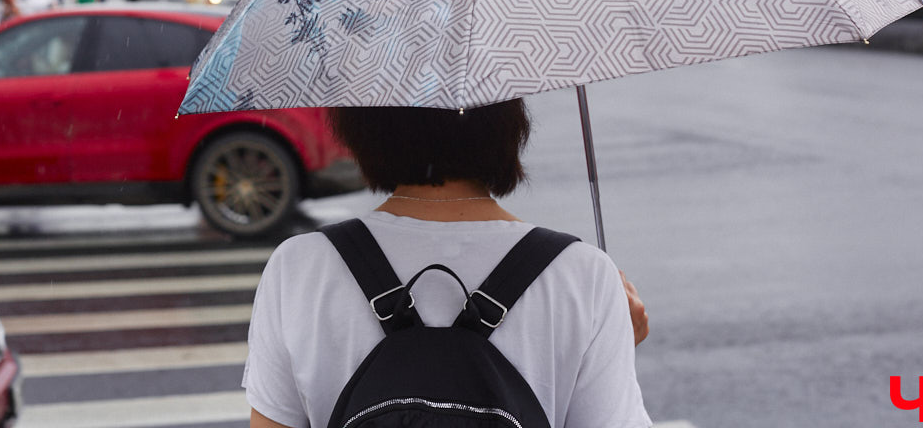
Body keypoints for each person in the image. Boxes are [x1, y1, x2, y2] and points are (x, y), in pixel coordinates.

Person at [244, 100, 651, 428]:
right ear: (509, 125)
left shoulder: (299, 267)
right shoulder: (582, 275)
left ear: (362, 126)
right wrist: (612, 334)